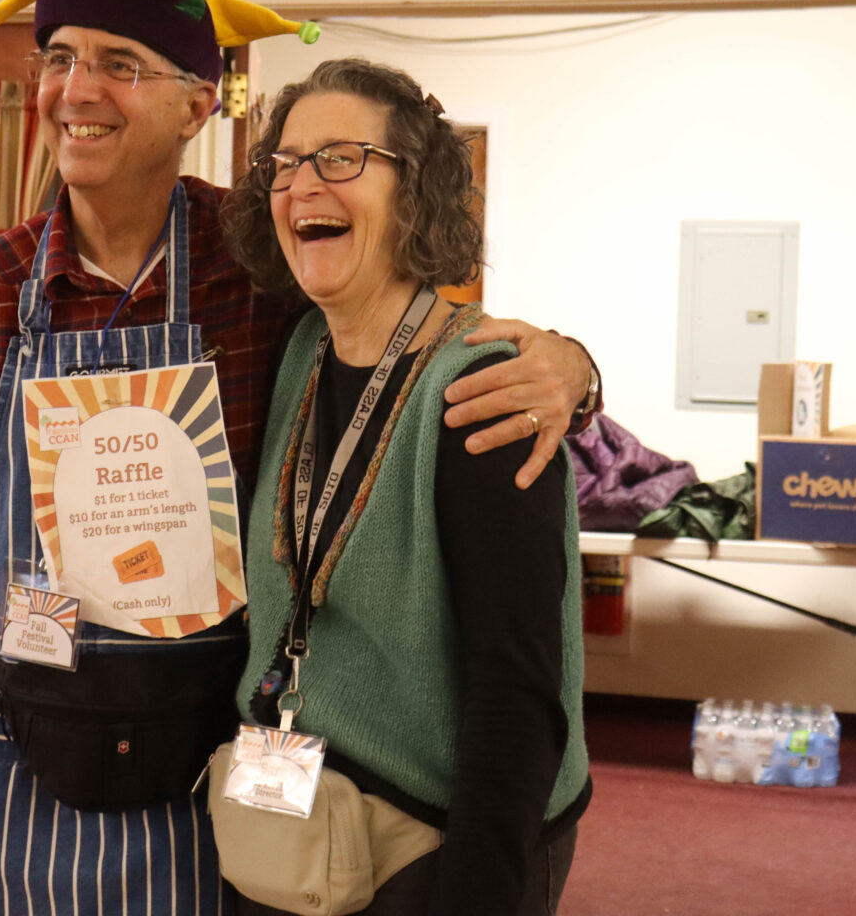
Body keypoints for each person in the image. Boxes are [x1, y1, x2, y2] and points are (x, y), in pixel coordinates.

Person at [0, 0, 600, 916]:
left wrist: (570, 367)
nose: (77, 89)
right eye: (57, 59)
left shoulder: (263, 284)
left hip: (188, 770)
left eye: (119, 63)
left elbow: (412, 335)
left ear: (196, 104)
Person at [219, 58, 589, 914]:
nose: (305, 182)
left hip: (437, 837)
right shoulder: (301, 352)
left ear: (413, 191)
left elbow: (518, 690)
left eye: (342, 158)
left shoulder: (482, 392)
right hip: (297, 810)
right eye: (288, 163)